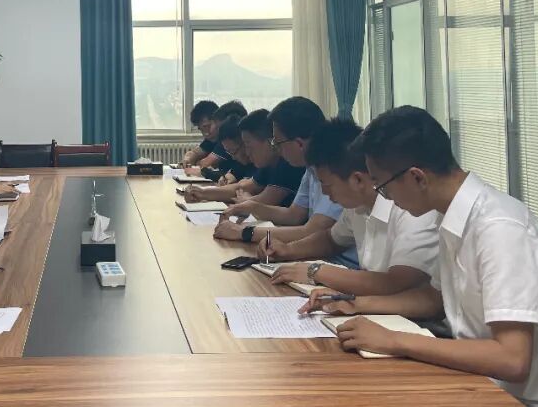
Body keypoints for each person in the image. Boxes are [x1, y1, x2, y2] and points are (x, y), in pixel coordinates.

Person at [315, 106, 538, 407]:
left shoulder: (499, 229)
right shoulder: (452, 215)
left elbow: (512, 359)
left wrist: (394, 340)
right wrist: (357, 303)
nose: (386, 199)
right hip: (487, 391)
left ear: (417, 177)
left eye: (384, 188)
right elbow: (435, 299)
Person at [260, 118, 437, 300]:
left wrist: (315, 271)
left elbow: (395, 283)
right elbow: (331, 240)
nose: (324, 192)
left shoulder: (410, 209)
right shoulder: (357, 205)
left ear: (357, 180)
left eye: (327, 184)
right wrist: (287, 250)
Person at [215, 98, 357, 268]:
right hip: (322, 260)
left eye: (277, 142)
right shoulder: (311, 168)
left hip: (336, 265)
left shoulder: (336, 170)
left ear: (299, 143)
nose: (276, 149)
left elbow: (313, 231)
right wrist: (252, 207)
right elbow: (294, 215)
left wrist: (244, 232)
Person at [187, 108, 303, 211]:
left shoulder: (287, 163)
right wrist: (202, 193)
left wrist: (248, 201)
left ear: (270, 142)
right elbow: (240, 188)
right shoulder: (267, 164)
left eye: (248, 146)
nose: (247, 153)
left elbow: (263, 201)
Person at [180, 100, 220, 166]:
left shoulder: (227, 139)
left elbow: (208, 163)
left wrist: (197, 163)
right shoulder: (210, 140)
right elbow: (194, 153)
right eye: (201, 129)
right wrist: (187, 160)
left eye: (207, 126)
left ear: (218, 121)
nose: (206, 134)